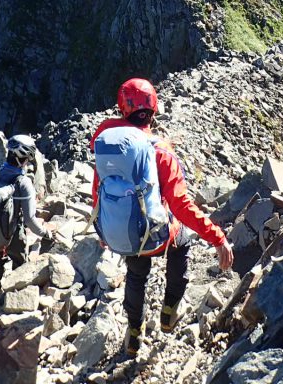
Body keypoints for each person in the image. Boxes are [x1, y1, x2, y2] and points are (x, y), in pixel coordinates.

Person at [90, 78, 233, 356]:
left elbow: (98, 191)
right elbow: (180, 205)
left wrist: (103, 231)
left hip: (126, 233)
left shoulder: (108, 144)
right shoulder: (161, 152)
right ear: (154, 108)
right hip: (158, 235)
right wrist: (218, 238)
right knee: (182, 242)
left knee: (136, 274)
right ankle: (168, 314)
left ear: (123, 108)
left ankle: (134, 334)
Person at [0, 133, 53, 305]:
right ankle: (18, 297)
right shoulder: (22, 183)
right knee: (20, 260)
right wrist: (46, 233)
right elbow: (30, 220)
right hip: (11, 234)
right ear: (24, 159)